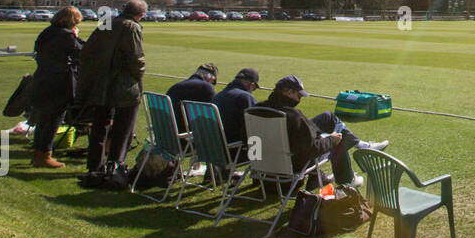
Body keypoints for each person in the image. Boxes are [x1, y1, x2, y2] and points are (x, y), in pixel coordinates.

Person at [246, 76, 387, 189]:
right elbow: (312, 149)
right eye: (298, 96)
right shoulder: (293, 116)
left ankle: (360, 146)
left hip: (262, 170)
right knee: (338, 135)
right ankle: (348, 179)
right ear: (287, 92)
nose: (299, 100)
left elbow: (248, 141)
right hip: (290, 170)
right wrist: (332, 139)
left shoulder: (255, 110)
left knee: (329, 117)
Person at [78, 0, 146, 180]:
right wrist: (139, 75)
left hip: (101, 82)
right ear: (141, 15)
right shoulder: (131, 27)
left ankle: (94, 165)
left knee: (99, 126)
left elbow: (88, 50)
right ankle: (115, 166)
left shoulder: (107, 23)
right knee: (124, 127)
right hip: (122, 84)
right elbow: (136, 58)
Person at [28, 6, 83, 169]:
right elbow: (81, 52)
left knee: (44, 119)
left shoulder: (47, 32)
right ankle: (44, 154)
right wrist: (76, 37)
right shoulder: (66, 36)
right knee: (53, 121)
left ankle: (38, 153)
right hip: (58, 82)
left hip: (42, 79)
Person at [212, 68, 259, 147]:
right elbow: (254, 127)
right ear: (252, 85)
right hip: (234, 149)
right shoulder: (245, 97)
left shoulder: (218, 95)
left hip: (214, 147)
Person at [166, 63, 218, 129]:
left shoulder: (176, 86)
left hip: (167, 131)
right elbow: (214, 113)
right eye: (213, 82)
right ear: (210, 77)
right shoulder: (206, 87)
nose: (212, 84)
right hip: (185, 132)